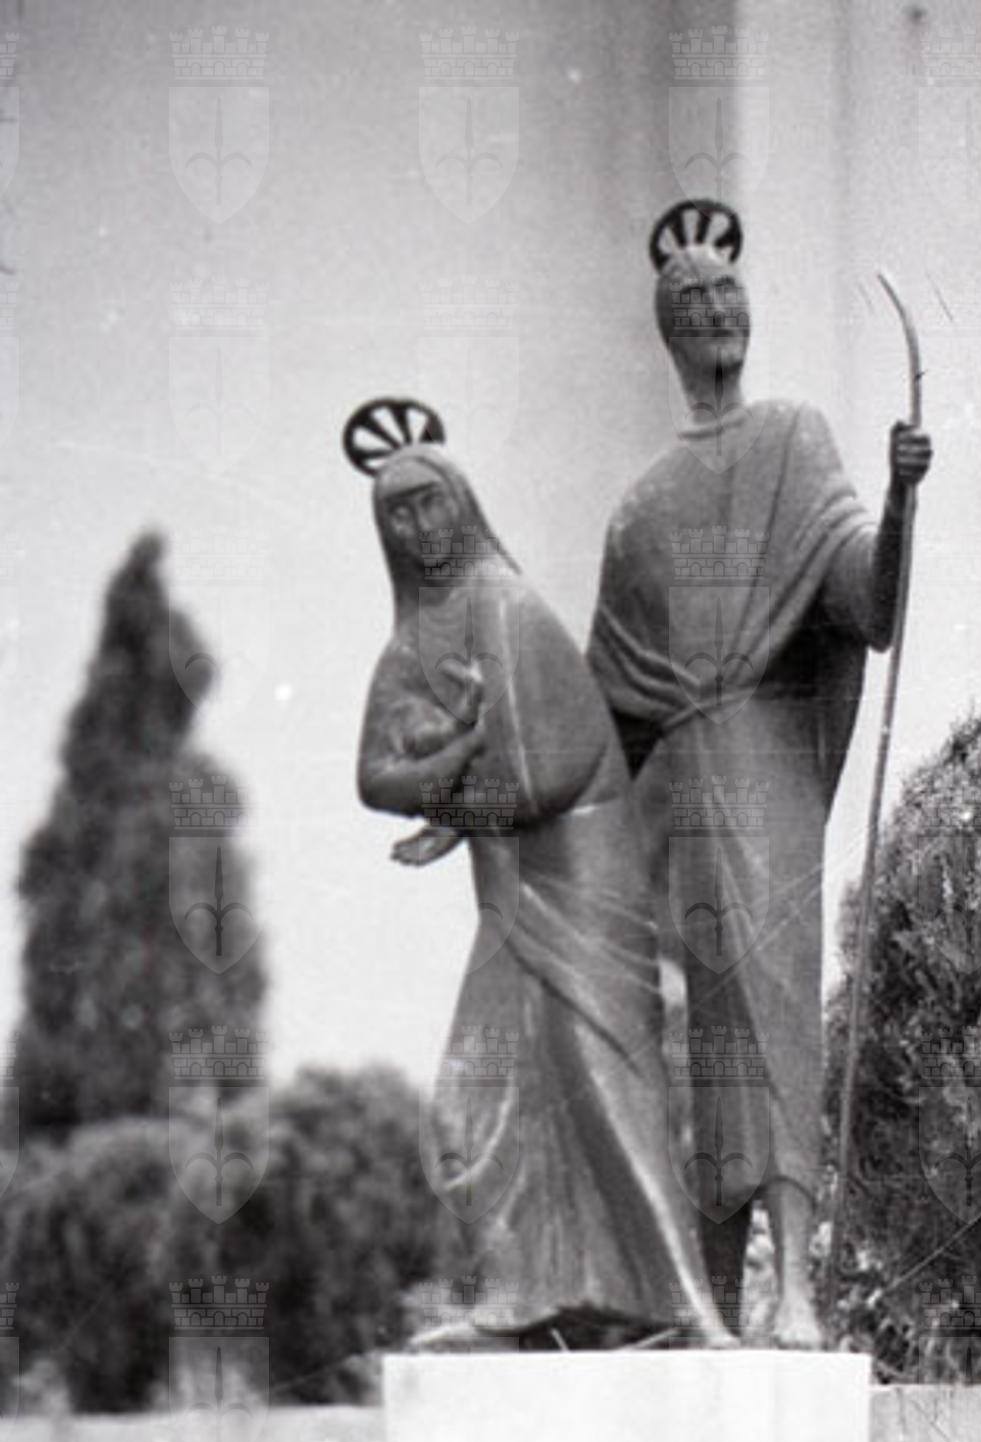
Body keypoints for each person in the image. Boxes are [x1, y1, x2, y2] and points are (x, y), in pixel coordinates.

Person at [587, 202, 932, 1346]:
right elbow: (604, 721)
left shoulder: (793, 439)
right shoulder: (640, 512)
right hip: (695, 794)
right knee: (716, 1036)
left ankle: (792, 1290)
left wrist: (897, 499)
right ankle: (714, 1294)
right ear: (666, 329)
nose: (715, 309)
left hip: (773, 774)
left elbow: (866, 605)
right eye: (691, 299)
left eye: (727, 291)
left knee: (777, 1010)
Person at [348, 399, 733, 1350]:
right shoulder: (414, 640)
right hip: (512, 900)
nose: (418, 526)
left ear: (462, 502)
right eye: (397, 514)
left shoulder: (503, 608)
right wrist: (455, 772)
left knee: (605, 1089)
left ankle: (690, 1309)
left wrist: (451, 807)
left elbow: (538, 779)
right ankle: (518, 1296)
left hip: (580, 886)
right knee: (468, 1101)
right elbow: (373, 778)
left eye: (430, 502)